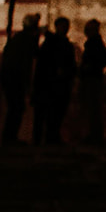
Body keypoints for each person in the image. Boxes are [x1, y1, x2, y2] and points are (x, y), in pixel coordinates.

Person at [32, 16, 77, 145]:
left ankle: (47, 139)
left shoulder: (56, 43)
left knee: (51, 115)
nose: (65, 29)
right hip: (51, 86)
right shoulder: (57, 43)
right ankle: (48, 139)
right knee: (49, 115)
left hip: (53, 86)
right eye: (63, 26)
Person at [0, 13, 42, 144]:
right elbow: (32, 56)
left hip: (10, 78)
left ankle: (9, 137)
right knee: (16, 108)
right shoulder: (25, 39)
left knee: (15, 108)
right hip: (15, 79)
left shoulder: (18, 38)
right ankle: (9, 137)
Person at [77, 18, 106, 144]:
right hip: (92, 78)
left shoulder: (94, 43)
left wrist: (91, 66)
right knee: (93, 108)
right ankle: (94, 134)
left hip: (92, 79)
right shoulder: (94, 42)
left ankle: (94, 135)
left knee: (93, 108)